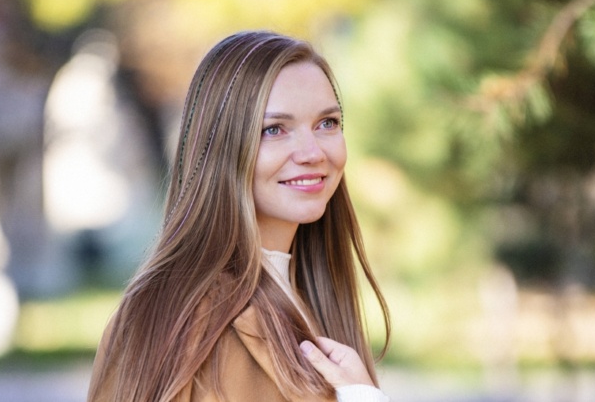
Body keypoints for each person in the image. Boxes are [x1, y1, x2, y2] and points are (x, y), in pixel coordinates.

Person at [87, 30, 390, 401]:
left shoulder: (314, 296)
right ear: (223, 148)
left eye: (327, 123)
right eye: (274, 129)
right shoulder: (179, 318)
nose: (312, 152)